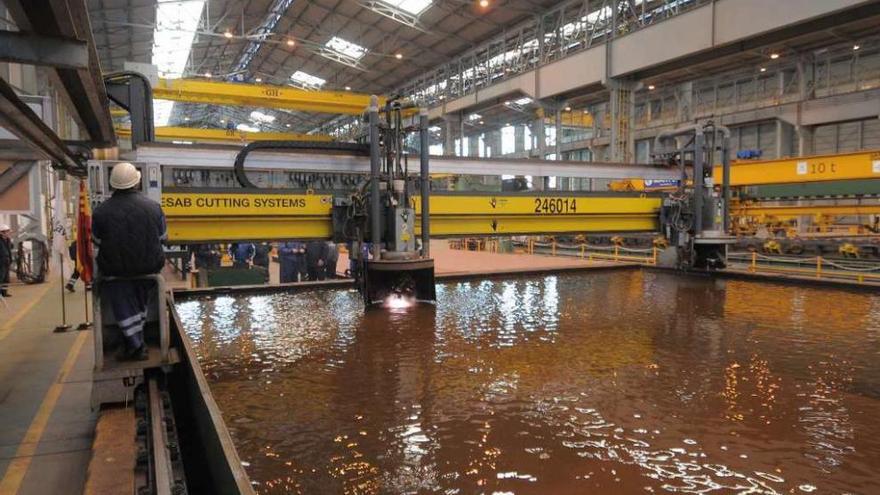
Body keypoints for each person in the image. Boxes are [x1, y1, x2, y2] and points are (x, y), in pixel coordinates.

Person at [92, 163, 166, 361]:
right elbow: (162, 236)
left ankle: (135, 344)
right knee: (140, 300)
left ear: (112, 184)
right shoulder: (153, 207)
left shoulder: (100, 211)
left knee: (123, 302)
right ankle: (136, 341)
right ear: (137, 181)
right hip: (149, 269)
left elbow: (97, 240)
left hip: (116, 272)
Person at [0, 224, 12, 297]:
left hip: (7, 261)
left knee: (6, 278)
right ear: (1, 233)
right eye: (7, 232)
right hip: (1, 262)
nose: (8, 233)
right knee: (1, 277)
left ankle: (4, 293)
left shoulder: (8, 240)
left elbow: (9, 248)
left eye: (8, 231)